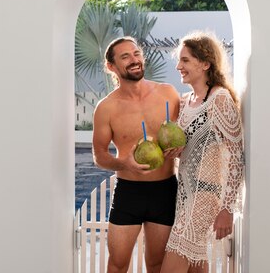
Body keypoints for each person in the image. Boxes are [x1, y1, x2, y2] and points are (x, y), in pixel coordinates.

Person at [92, 36, 182, 273]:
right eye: (125, 56)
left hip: (165, 190)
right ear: (111, 67)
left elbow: (187, 137)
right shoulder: (106, 108)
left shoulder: (168, 94)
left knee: (156, 264)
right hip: (129, 193)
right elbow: (99, 155)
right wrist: (124, 163)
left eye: (136, 53)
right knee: (118, 264)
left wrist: (180, 150)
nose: (134, 60)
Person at [160, 31, 245, 273]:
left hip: (205, 197)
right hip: (184, 195)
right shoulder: (186, 101)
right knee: (195, 267)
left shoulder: (219, 99)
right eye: (179, 60)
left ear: (205, 63)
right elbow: (192, 148)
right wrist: (174, 151)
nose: (178, 66)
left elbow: (237, 158)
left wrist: (227, 208)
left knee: (172, 266)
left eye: (185, 60)